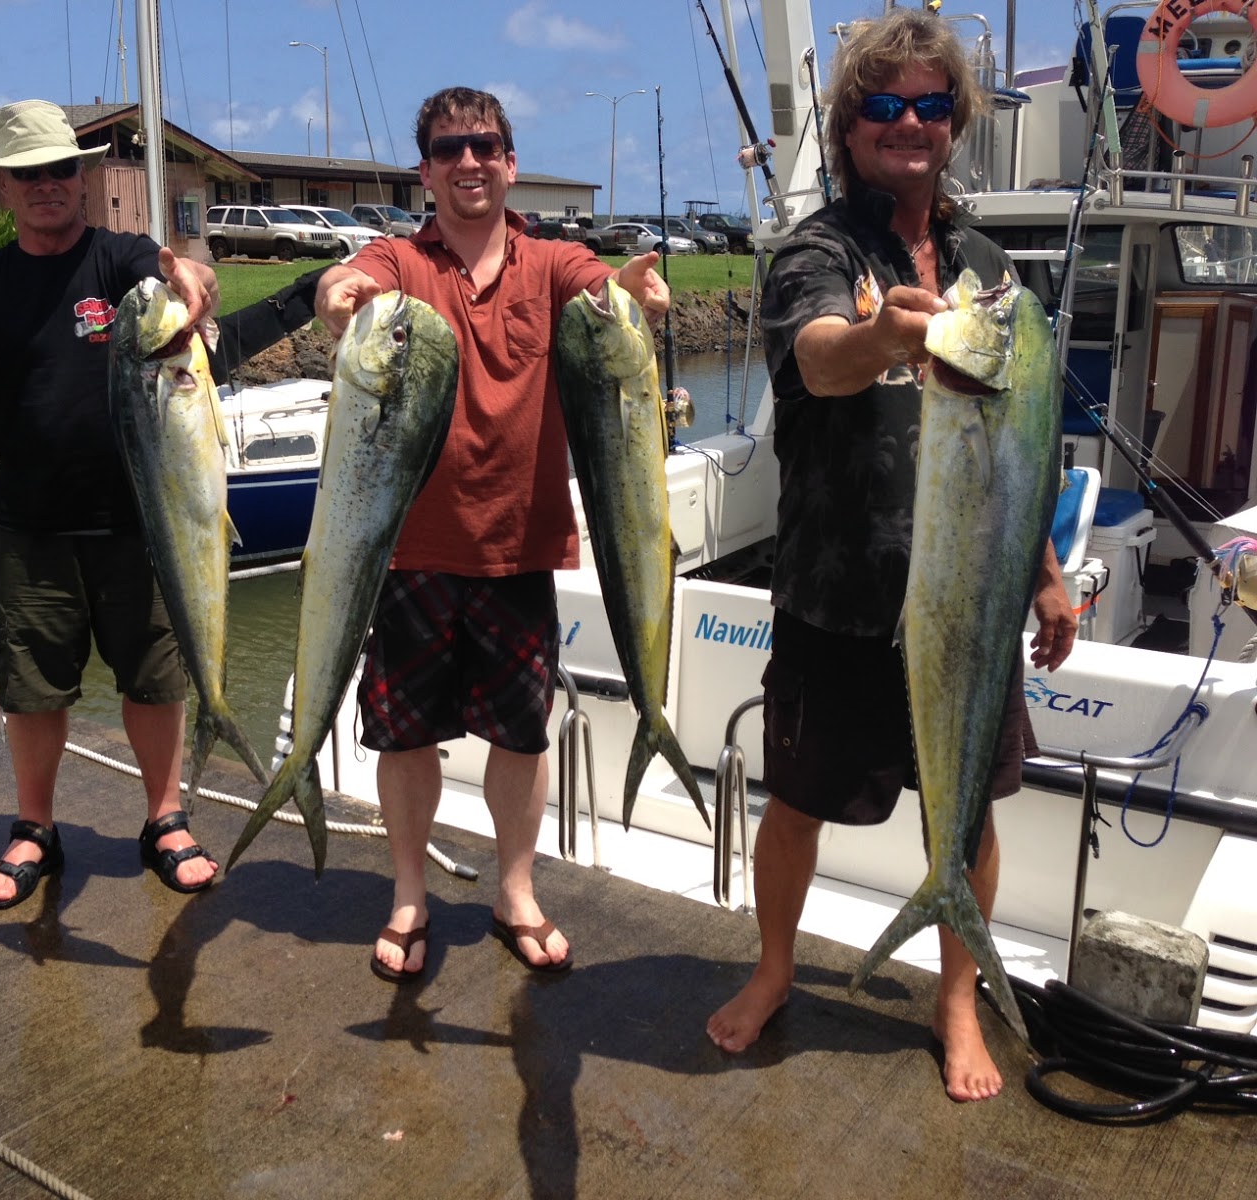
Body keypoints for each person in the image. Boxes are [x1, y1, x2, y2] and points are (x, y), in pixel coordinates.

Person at [702, 9, 1078, 1102]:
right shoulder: (816, 250)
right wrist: (884, 338)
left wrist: (1046, 572)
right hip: (840, 593)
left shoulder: (983, 262)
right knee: (799, 802)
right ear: (850, 123)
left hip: (972, 595)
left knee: (968, 810)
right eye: (882, 106)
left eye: (927, 105)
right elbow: (818, 360)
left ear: (953, 123)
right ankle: (775, 970)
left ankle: (954, 998)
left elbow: (1022, 440)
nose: (906, 125)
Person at [0, 100, 323, 910]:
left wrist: (192, 277)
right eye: (28, 176)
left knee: (155, 680)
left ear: (81, 180)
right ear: (4, 191)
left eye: (59, 171)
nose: (46, 186)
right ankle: (34, 828)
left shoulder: (119, 262)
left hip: (142, 519)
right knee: (34, 689)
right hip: (29, 523)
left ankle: (165, 819)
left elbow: (178, 275)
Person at [313, 87, 670, 983]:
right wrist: (337, 289)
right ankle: (407, 891)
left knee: (522, 736)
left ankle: (516, 889)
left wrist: (635, 292)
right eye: (448, 148)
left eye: (484, 146)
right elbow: (350, 283)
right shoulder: (401, 258)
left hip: (519, 550)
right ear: (426, 169)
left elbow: (609, 293)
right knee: (403, 736)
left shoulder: (555, 263)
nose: (468, 161)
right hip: (410, 552)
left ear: (510, 162)